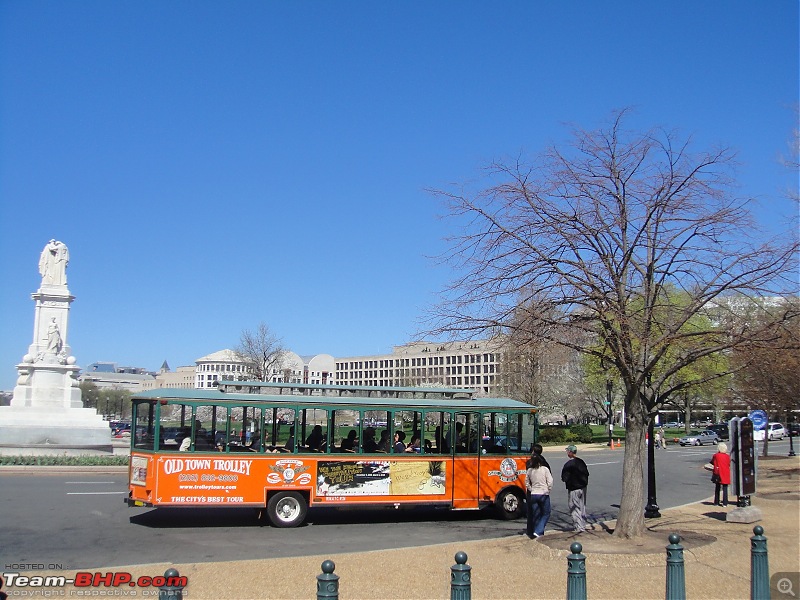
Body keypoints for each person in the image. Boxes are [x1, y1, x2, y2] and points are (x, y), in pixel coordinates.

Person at [561, 444, 590, 533]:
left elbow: (564, 478)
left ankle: (578, 527)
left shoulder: (568, 465)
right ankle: (583, 525)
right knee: (582, 507)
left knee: (574, 507)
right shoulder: (581, 462)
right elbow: (587, 473)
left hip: (574, 488)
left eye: (567, 451)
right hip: (583, 487)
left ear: (570, 452)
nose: (567, 452)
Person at [525, 454, 553, 538]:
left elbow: (526, 482)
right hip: (543, 493)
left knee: (536, 513)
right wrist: (548, 489)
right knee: (546, 513)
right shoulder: (544, 469)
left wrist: (531, 489)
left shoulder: (530, 470)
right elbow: (550, 481)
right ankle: (539, 530)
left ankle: (536, 531)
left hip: (534, 493)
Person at [711, 442, 731, 507]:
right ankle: (725, 503)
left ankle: (716, 502)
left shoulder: (716, 455)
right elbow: (728, 464)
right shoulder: (727, 456)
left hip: (718, 473)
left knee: (717, 488)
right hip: (726, 472)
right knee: (725, 488)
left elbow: (712, 462)